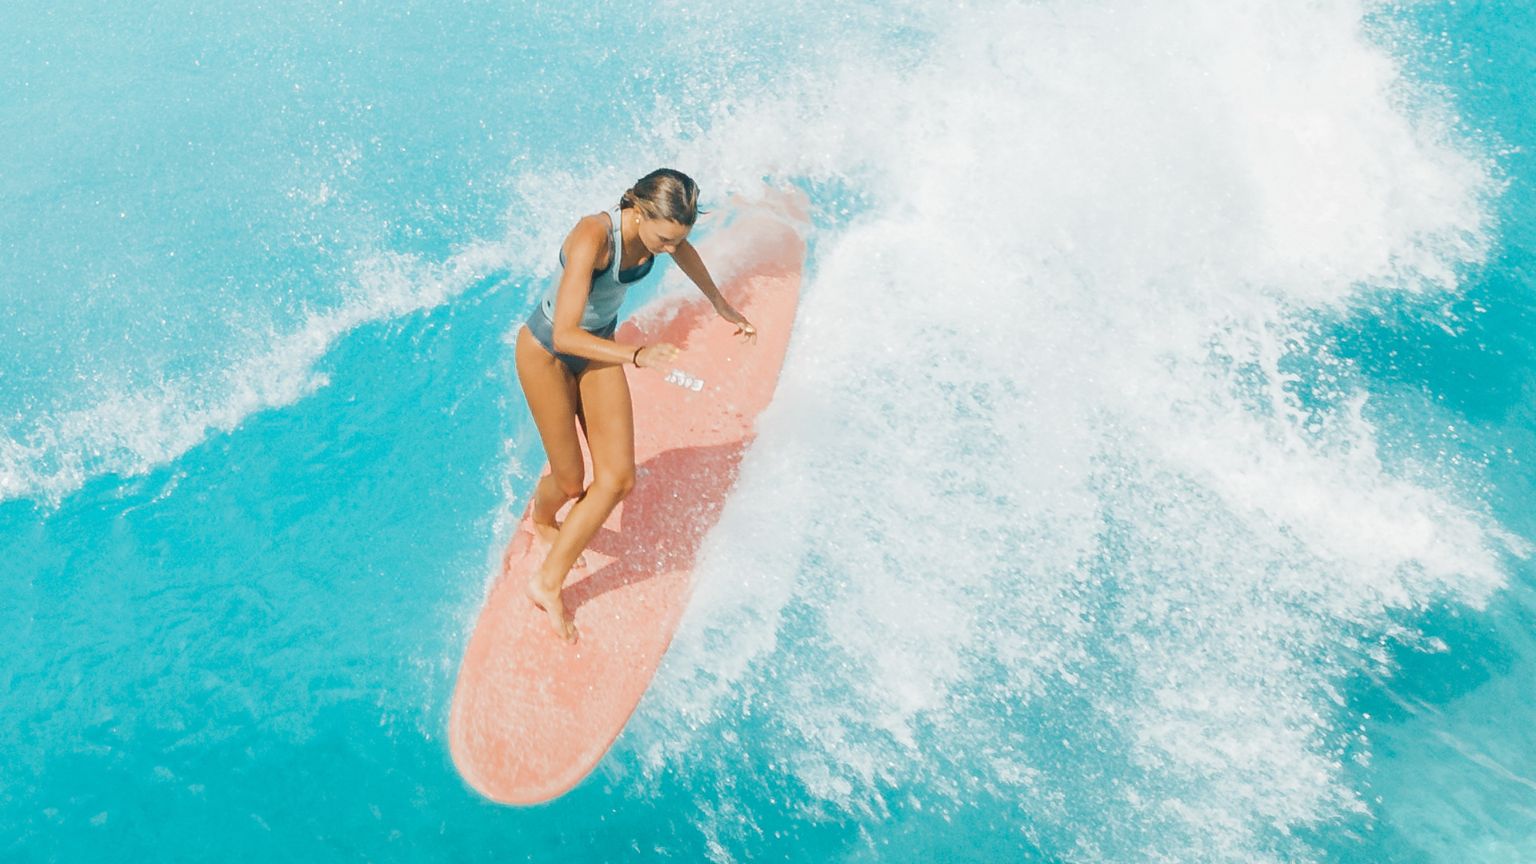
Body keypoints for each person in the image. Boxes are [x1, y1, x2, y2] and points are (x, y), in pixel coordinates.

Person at [515, 168, 757, 642]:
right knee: (570, 481)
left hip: (598, 347)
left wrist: (719, 303)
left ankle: (545, 583)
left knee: (618, 479)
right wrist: (637, 355)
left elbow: (683, 251)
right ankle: (542, 518)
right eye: (664, 238)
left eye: (677, 238)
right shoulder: (593, 236)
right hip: (547, 353)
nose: (669, 248)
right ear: (640, 211)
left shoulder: (663, 236)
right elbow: (565, 334)